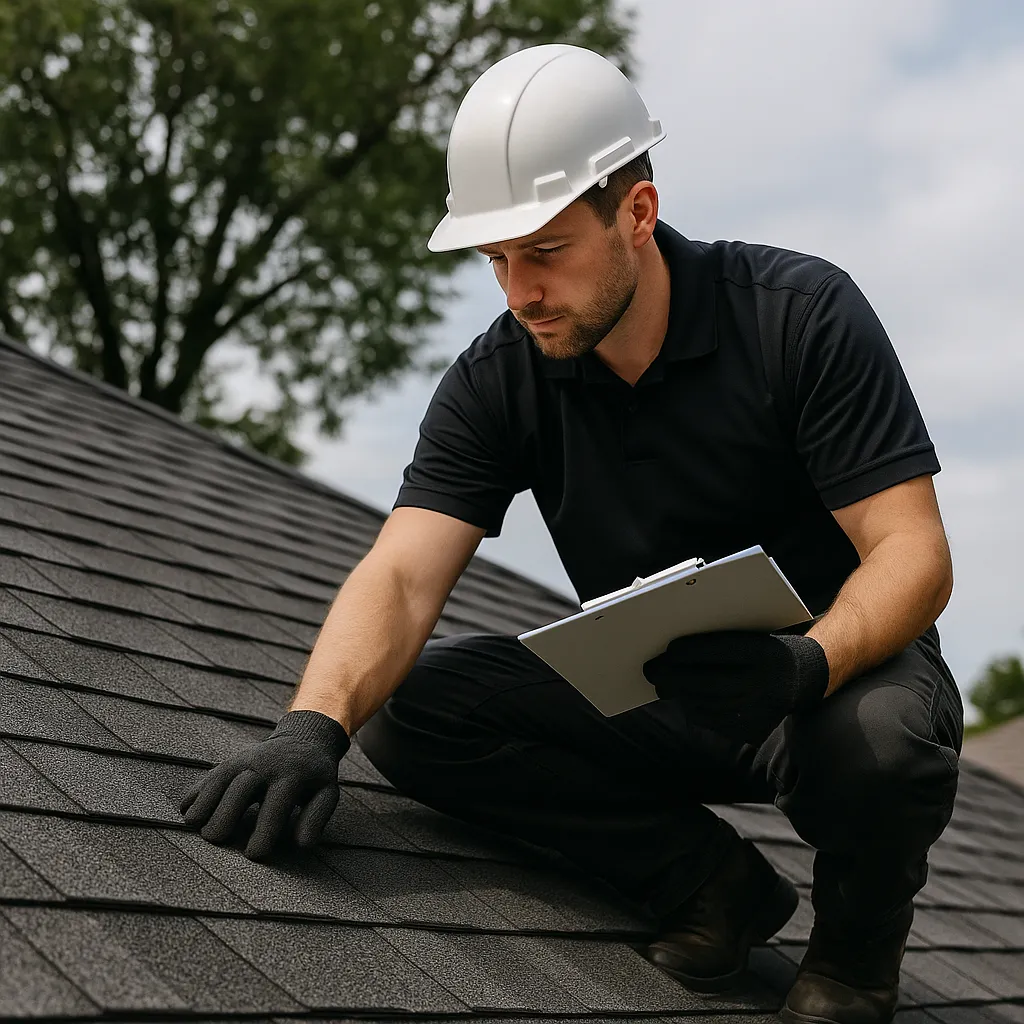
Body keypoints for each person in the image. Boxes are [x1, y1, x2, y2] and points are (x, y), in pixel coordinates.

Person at [178, 44, 963, 1024]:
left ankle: (849, 964)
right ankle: (710, 885)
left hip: (831, 682)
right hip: (664, 692)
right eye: (495, 259)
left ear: (637, 211)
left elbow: (912, 553)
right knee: (412, 709)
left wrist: (804, 664)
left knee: (884, 739)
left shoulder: (798, 318)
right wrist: (309, 726)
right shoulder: (498, 376)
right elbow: (404, 575)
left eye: (544, 251)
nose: (518, 292)